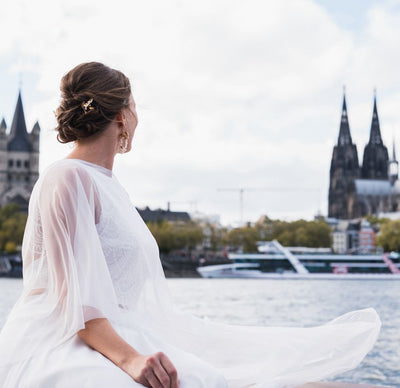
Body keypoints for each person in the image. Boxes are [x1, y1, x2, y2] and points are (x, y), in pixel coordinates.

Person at [0, 62, 381, 388]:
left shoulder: (108, 186)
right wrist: (132, 360)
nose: (137, 116)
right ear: (121, 117)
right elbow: (78, 304)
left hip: (113, 335)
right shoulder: (68, 177)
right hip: (70, 343)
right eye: (134, 107)